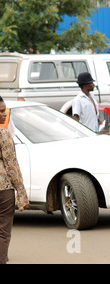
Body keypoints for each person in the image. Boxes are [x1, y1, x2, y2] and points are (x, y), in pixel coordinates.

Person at [0, 96, 29, 264]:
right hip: (3, 190)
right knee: (3, 232)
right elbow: (12, 165)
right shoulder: (3, 134)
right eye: (1, 111)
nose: (5, 114)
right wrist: (21, 192)